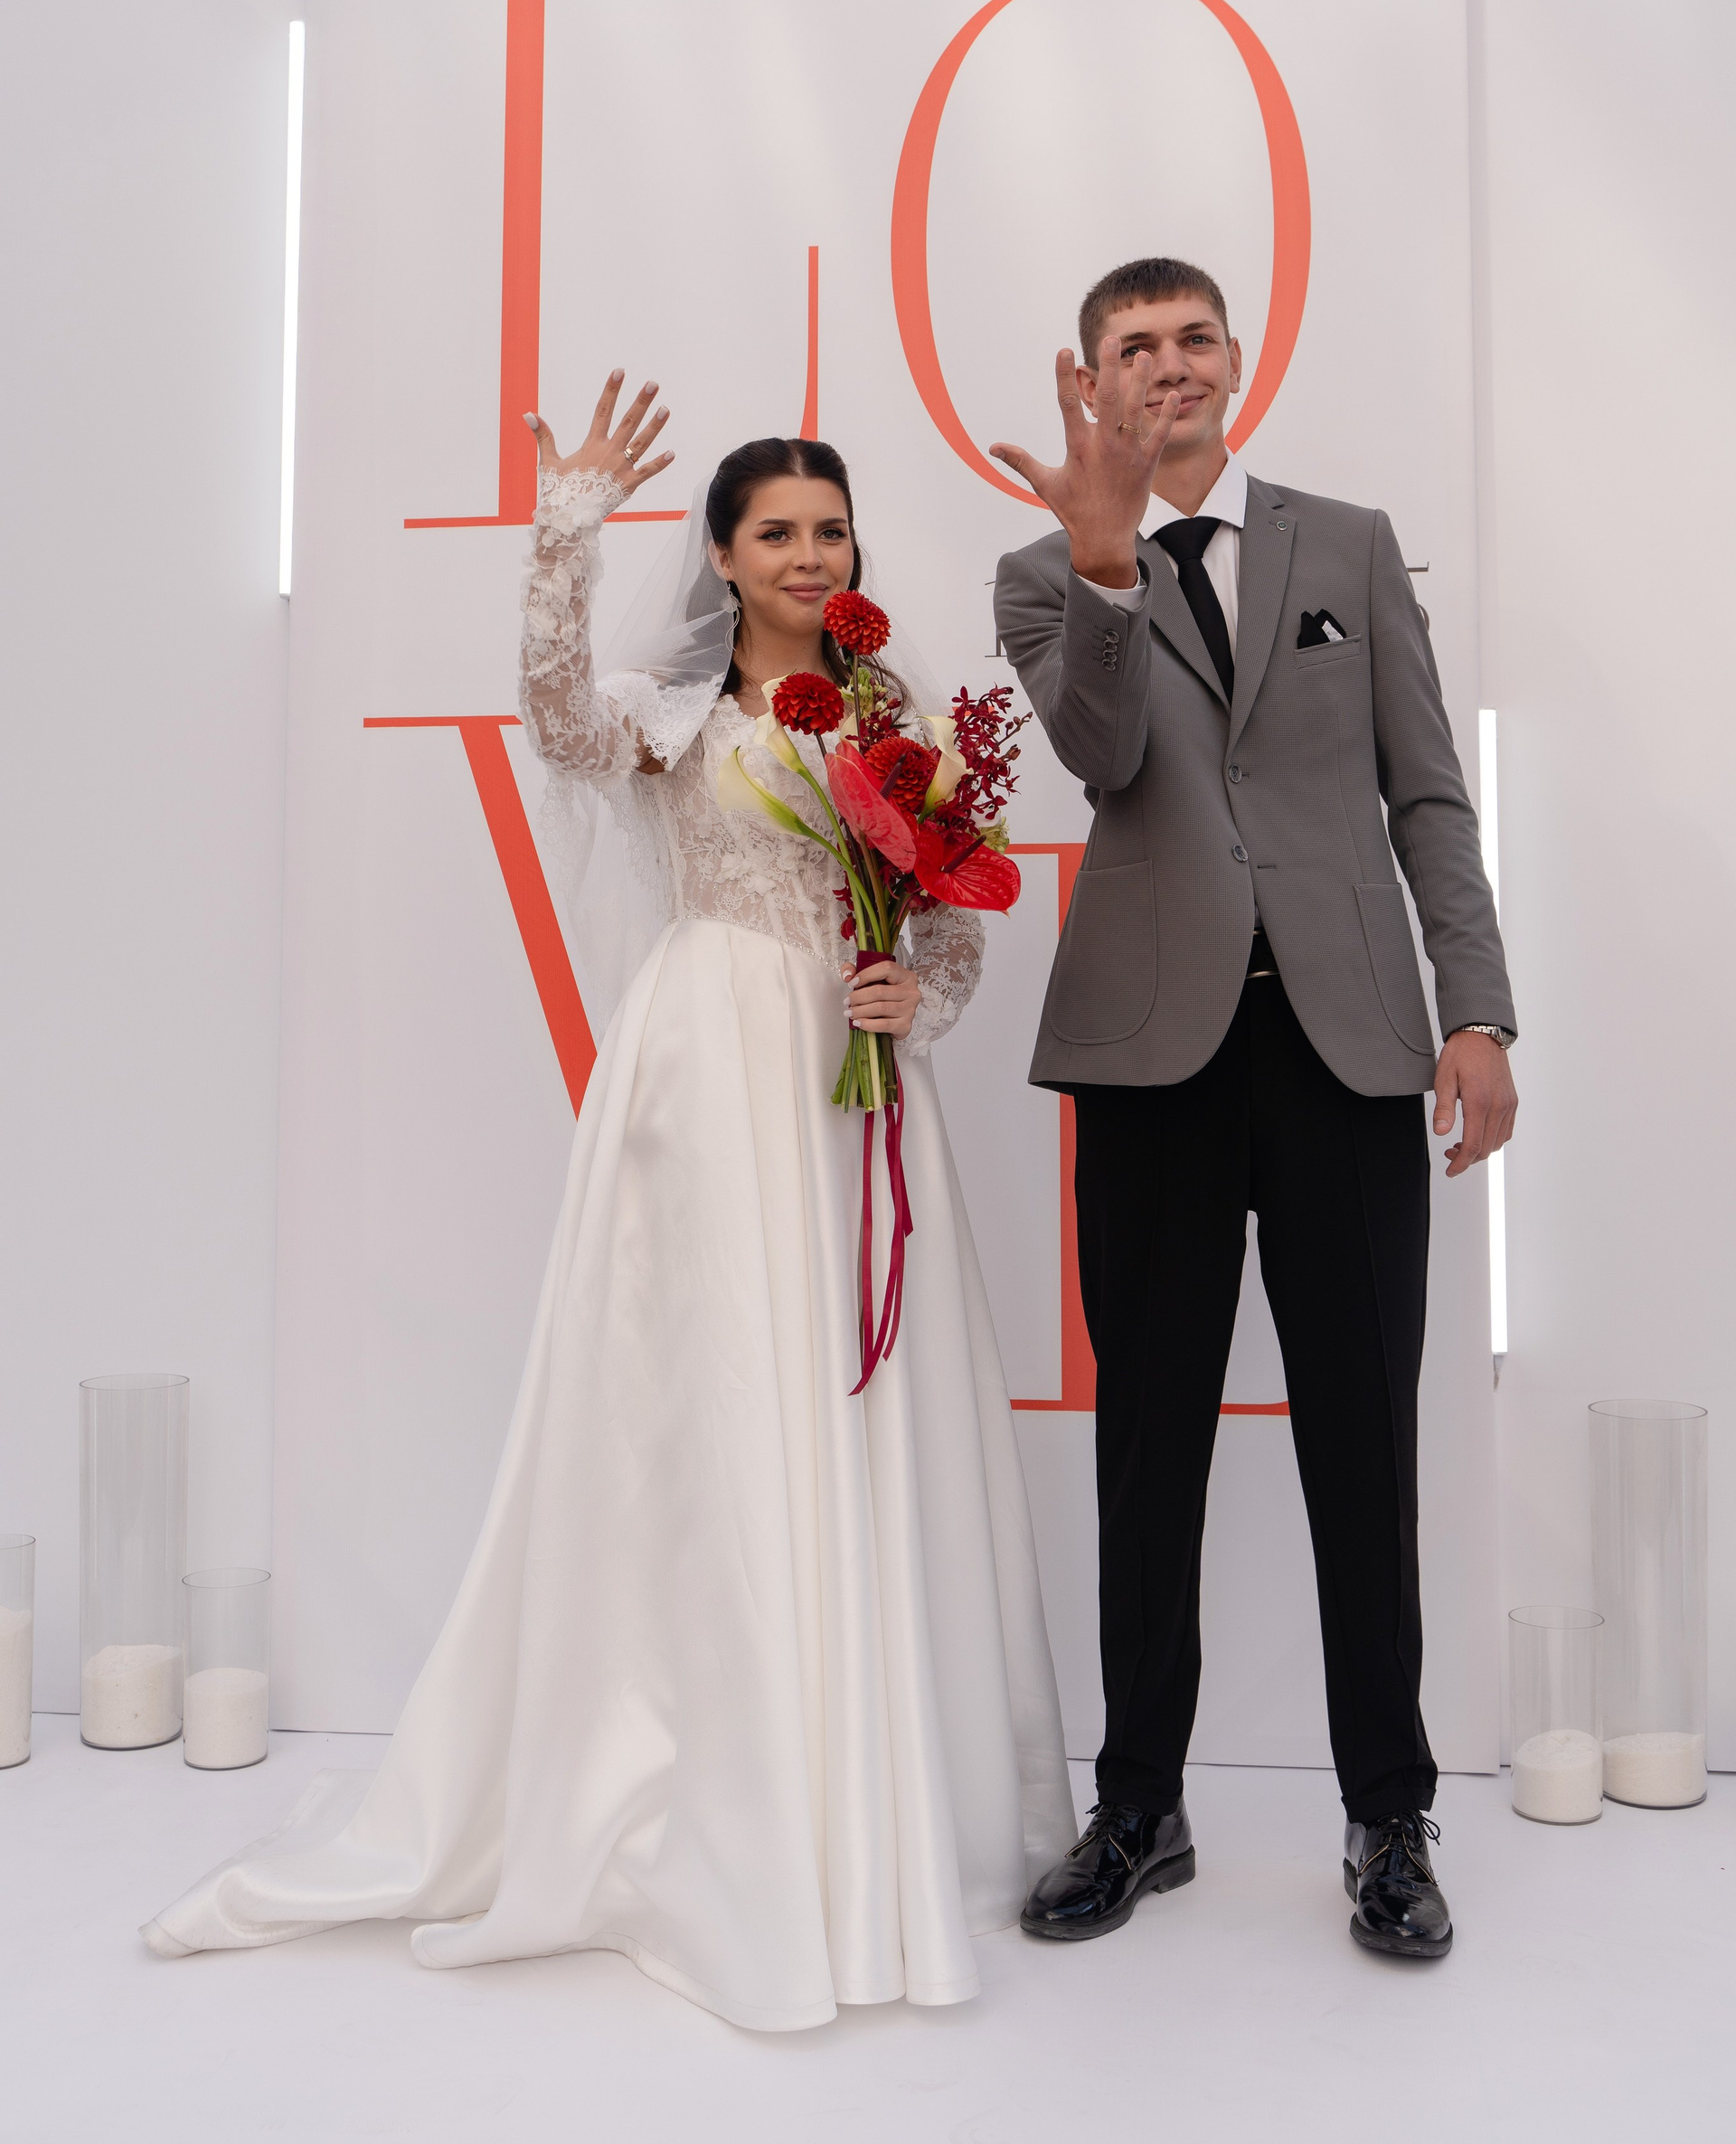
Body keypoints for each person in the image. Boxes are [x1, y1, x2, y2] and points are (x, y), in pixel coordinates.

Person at [143, 376, 1073, 2028]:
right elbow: (560, 725)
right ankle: (701, 1794)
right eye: (775, 531)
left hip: (848, 1080)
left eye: (830, 528)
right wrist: (565, 529)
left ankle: (871, 1807)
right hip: (705, 1070)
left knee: (854, 1401)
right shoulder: (674, 712)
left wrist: (911, 995)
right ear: (721, 553)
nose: (809, 553)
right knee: (707, 1402)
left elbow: (949, 926)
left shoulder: (896, 722)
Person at [991, 259, 1517, 1963]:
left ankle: (1390, 1816)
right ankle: (1140, 1804)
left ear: (1237, 357)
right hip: (1154, 1055)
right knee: (1149, 1442)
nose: (1167, 366)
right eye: (1131, 348)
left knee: (1365, 1442)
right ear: (1092, 379)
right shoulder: (1043, 569)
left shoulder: (1349, 544)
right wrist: (1103, 563)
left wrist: (1477, 1008)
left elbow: (1427, 792)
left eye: (1191, 338)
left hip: (1347, 1050)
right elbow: (1104, 755)